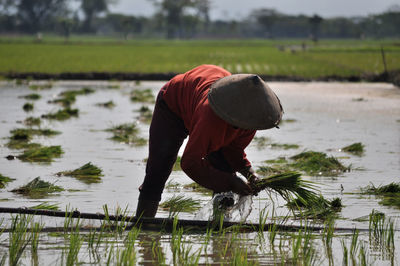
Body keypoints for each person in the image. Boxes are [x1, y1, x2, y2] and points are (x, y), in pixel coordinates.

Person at [136, 64, 283, 217]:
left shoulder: (251, 121)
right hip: (173, 106)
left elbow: (233, 150)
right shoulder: (211, 117)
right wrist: (231, 182)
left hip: (201, 102)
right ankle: (142, 229)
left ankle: (220, 230)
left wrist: (249, 173)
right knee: (158, 171)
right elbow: (190, 163)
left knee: (224, 166)